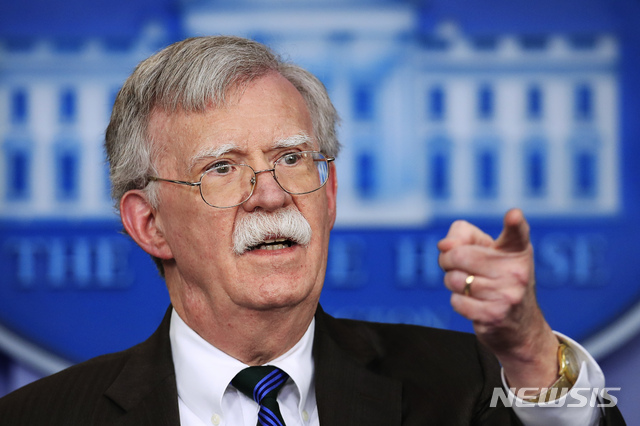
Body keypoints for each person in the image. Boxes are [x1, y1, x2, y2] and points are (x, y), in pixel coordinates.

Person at [0, 35, 625, 425]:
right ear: (150, 224)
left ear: (329, 194)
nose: (270, 194)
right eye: (223, 169)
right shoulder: (40, 417)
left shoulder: (465, 386)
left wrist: (532, 354)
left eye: (293, 159)